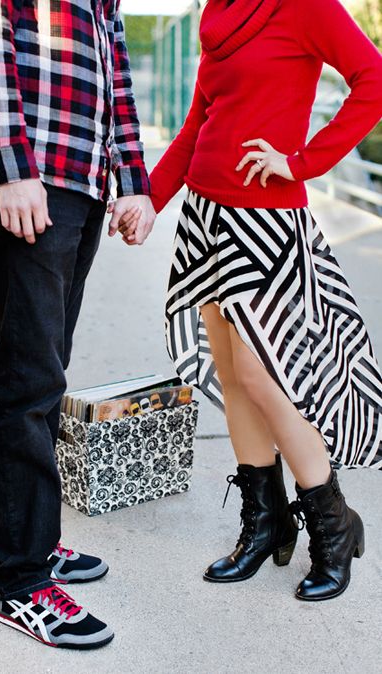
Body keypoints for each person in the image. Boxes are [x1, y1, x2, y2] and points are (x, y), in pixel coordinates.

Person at [123, 0, 382, 601]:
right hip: (206, 220)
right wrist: (150, 200)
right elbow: (196, 128)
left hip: (265, 223)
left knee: (262, 377)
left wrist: (301, 163)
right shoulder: (218, 15)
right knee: (233, 379)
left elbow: (373, 80)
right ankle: (264, 527)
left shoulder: (306, 7)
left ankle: (334, 525)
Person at [0, 0, 156, 648]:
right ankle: (20, 580)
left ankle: (3, 542)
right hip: (31, 177)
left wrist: (133, 180)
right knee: (29, 380)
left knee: (38, 372)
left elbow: (116, 78)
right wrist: (12, 168)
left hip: (82, 185)